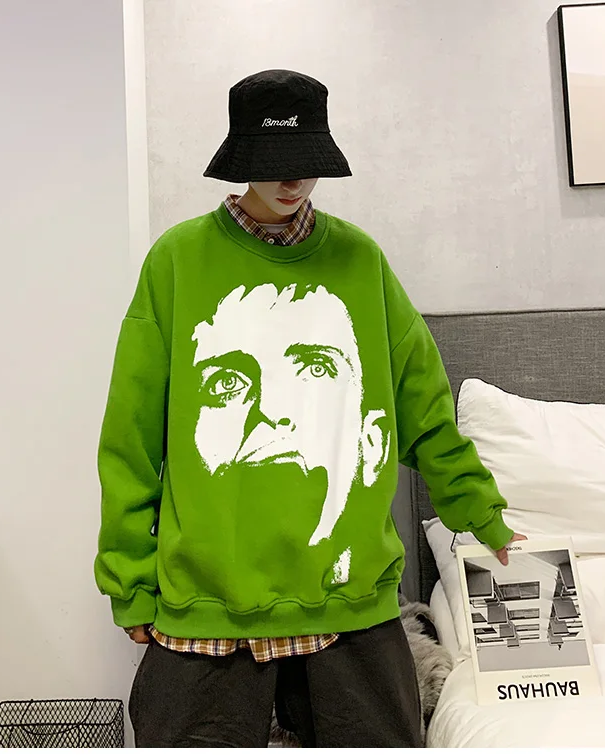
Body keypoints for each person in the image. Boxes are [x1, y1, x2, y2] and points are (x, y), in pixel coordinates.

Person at [94, 69, 526, 748]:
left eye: (306, 161)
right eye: (274, 162)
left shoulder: (359, 260)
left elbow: (423, 403)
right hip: (209, 600)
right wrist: (129, 579)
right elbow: (132, 437)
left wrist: (480, 511)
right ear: (240, 158)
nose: (292, 179)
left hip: (347, 597)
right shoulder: (177, 262)